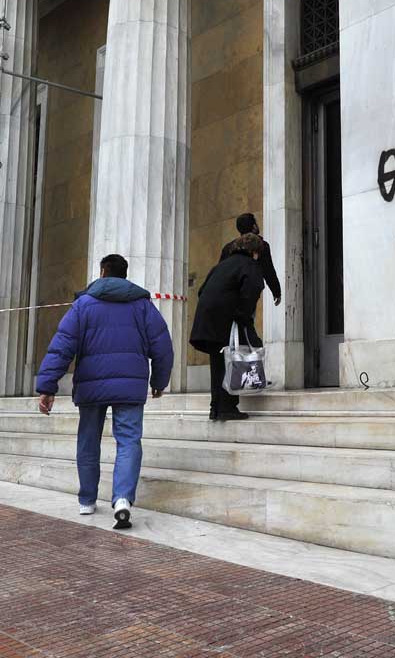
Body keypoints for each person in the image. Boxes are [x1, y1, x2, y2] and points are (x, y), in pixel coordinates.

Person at [36, 254, 174, 530]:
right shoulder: (142, 306)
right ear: (124, 274)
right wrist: (159, 381)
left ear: (102, 272)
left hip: (91, 386)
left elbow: (62, 346)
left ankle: (87, 500)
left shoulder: (83, 305)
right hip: (129, 386)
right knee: (129, 442)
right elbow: (163, 346)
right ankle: (122, 499)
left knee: (88, 441)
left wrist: (47, 386)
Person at [191, 233, 265, 421]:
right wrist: (242, 315)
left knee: (218, 363)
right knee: (231, 360)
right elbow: (252, 290)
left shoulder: (221, 265)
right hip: (227, 319)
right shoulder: (249, 265)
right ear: (254, 252)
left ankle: (216, 407)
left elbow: (201, 291)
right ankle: (227, 407)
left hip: (208, 319)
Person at [220, 212, 281, 306]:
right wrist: (276, 292)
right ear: (253, 227)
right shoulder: (261, 245)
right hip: (246, 295)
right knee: (244, 319)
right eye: (255, 223)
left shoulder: (228, 248)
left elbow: (220, 273)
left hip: (228, 295)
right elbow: (268, 271)